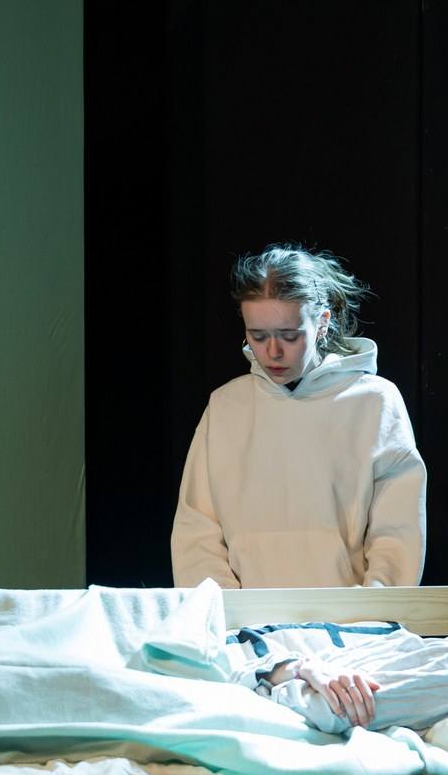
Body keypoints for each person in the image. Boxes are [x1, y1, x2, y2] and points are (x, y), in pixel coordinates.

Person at [172, 245, 425, 589]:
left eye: (289, 335)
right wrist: (226, 611)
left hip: (350, 619)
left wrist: (371, 609)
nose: (273, 351)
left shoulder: (374, 402)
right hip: (244, 620)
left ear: (322, 323)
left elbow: (398, 530)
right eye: (258, 336)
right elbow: (197, 532)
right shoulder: (226, 406)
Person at [223, 552, 448, 734]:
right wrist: (304, 668)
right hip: (240, 700)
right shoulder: (413, 643)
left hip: (247, 717)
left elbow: (324, 713)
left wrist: (291, 674)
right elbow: (258, 675)